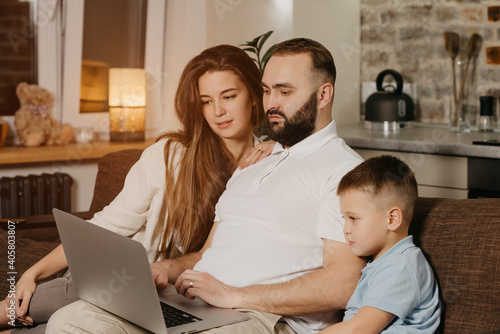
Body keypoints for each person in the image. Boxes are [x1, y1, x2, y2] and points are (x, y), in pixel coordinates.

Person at [46, 37, 366, 333]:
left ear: (323, 94)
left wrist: (233, 295)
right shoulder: (255, 162)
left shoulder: (345, 172)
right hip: (197, 304)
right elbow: (205, 254)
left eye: (284, 91)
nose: (271, 102)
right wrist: (165, 268)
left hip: (263, 318)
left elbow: (342, 284)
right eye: (267, 90)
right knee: (72, 322)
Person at [0, 44, 274, 334]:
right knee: (26, 309)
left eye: (229, 97)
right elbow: (105, 226)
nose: (218, 111)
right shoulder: (171, 155)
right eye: (206, 101)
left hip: (185, 300)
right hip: (123, 283)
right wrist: (33, 273)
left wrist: (278, 149)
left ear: (255, 97)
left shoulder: (272, 164)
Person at [319, 155, 441, 333]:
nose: (345, 229)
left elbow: (360, 329)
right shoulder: (382, 263)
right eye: (344, 218)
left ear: (392, 219)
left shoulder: (401, 266)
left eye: (353, 218)